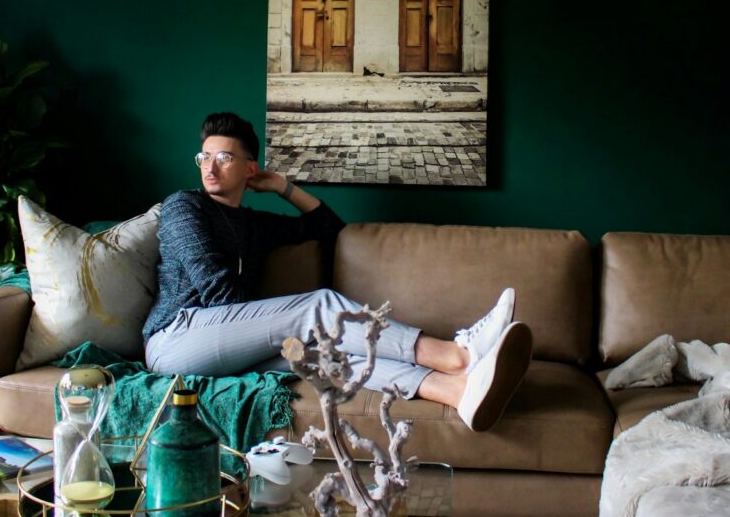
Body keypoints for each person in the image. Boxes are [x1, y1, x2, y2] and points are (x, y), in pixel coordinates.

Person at [143, 112, 532, 432]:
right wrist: (273, 328)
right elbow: (219, 296)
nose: (209, 167)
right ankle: (457, 356)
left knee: (329, 354)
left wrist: (283, 187)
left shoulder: (254, 224)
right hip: (175, 339)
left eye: (224, 157)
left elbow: (330, 228)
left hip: (225, 346)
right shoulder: (183, 207)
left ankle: (456, 392)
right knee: (318, 306)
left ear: (249, 168)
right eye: (203, 157)